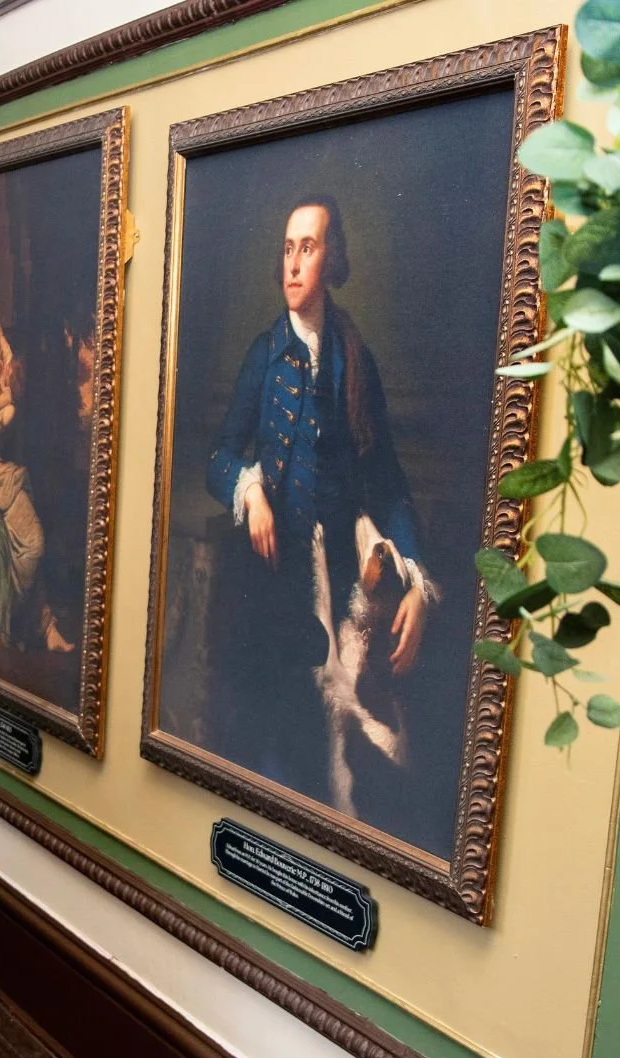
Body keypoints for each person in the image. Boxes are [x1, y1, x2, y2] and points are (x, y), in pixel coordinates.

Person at [202, 196, 434, 804]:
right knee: (262, 744)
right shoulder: (265, 354)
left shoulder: (356, 363)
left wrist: (417, 582)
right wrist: (250, 492)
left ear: (331, 262)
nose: (293, 265)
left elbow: (389, 484)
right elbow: (218, 457)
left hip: (336, 583)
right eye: (287, 248)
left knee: (343, 760)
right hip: (267, 582)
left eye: (308, 248)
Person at [0, 287, 74, 654]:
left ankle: (45, 626)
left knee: (31, 538)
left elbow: (4, 392)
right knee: (34, 542)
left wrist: (4, 348)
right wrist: (13, 388)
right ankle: (7, 611)